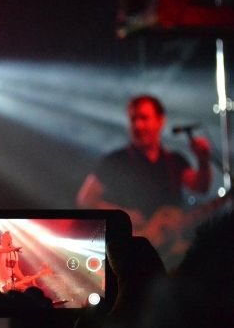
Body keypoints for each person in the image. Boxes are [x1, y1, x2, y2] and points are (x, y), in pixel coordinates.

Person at [77, 94, 211, 232]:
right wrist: (123, 215)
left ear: (160, 121)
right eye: (133, 119)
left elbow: (201, 187)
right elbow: (85, 199)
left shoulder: (175, 160)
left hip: (168, 241)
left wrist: (203, 161)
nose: (138, 125)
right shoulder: (116, 160)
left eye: (144, 118)